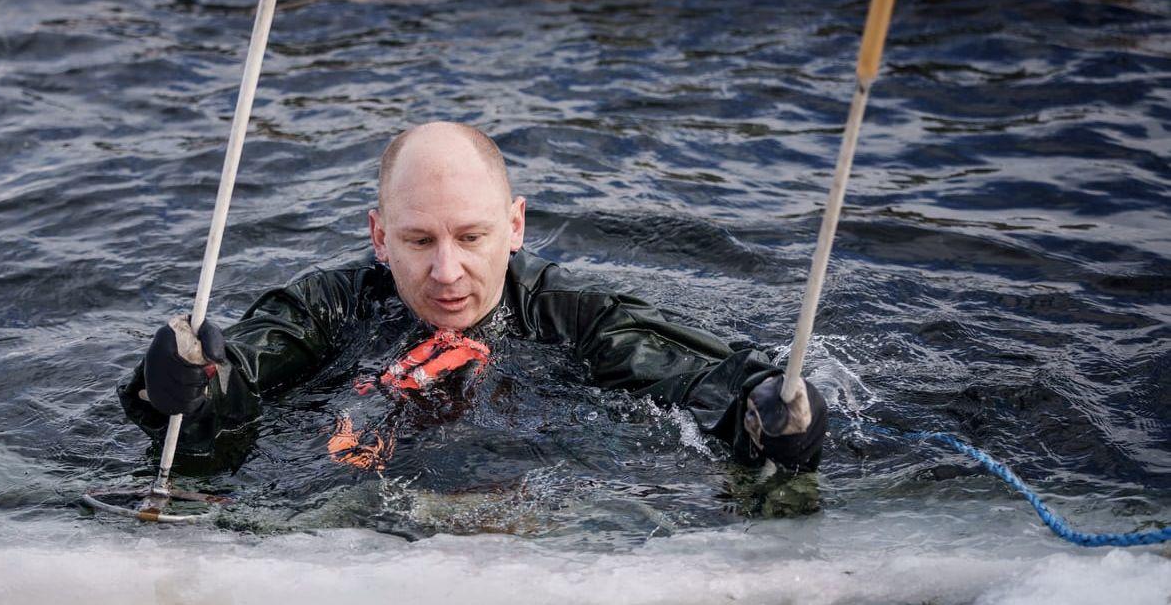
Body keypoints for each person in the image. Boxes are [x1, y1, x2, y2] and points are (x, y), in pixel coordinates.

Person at [120, 122, 826, 473]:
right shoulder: (333, 306)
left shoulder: (567, 311)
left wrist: (767, 407)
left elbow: (694, 369)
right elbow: (247, 355)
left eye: (472, 236)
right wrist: (180, 380)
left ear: (515, 224)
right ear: (379, 235)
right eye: (420, 241)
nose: (448, 272)